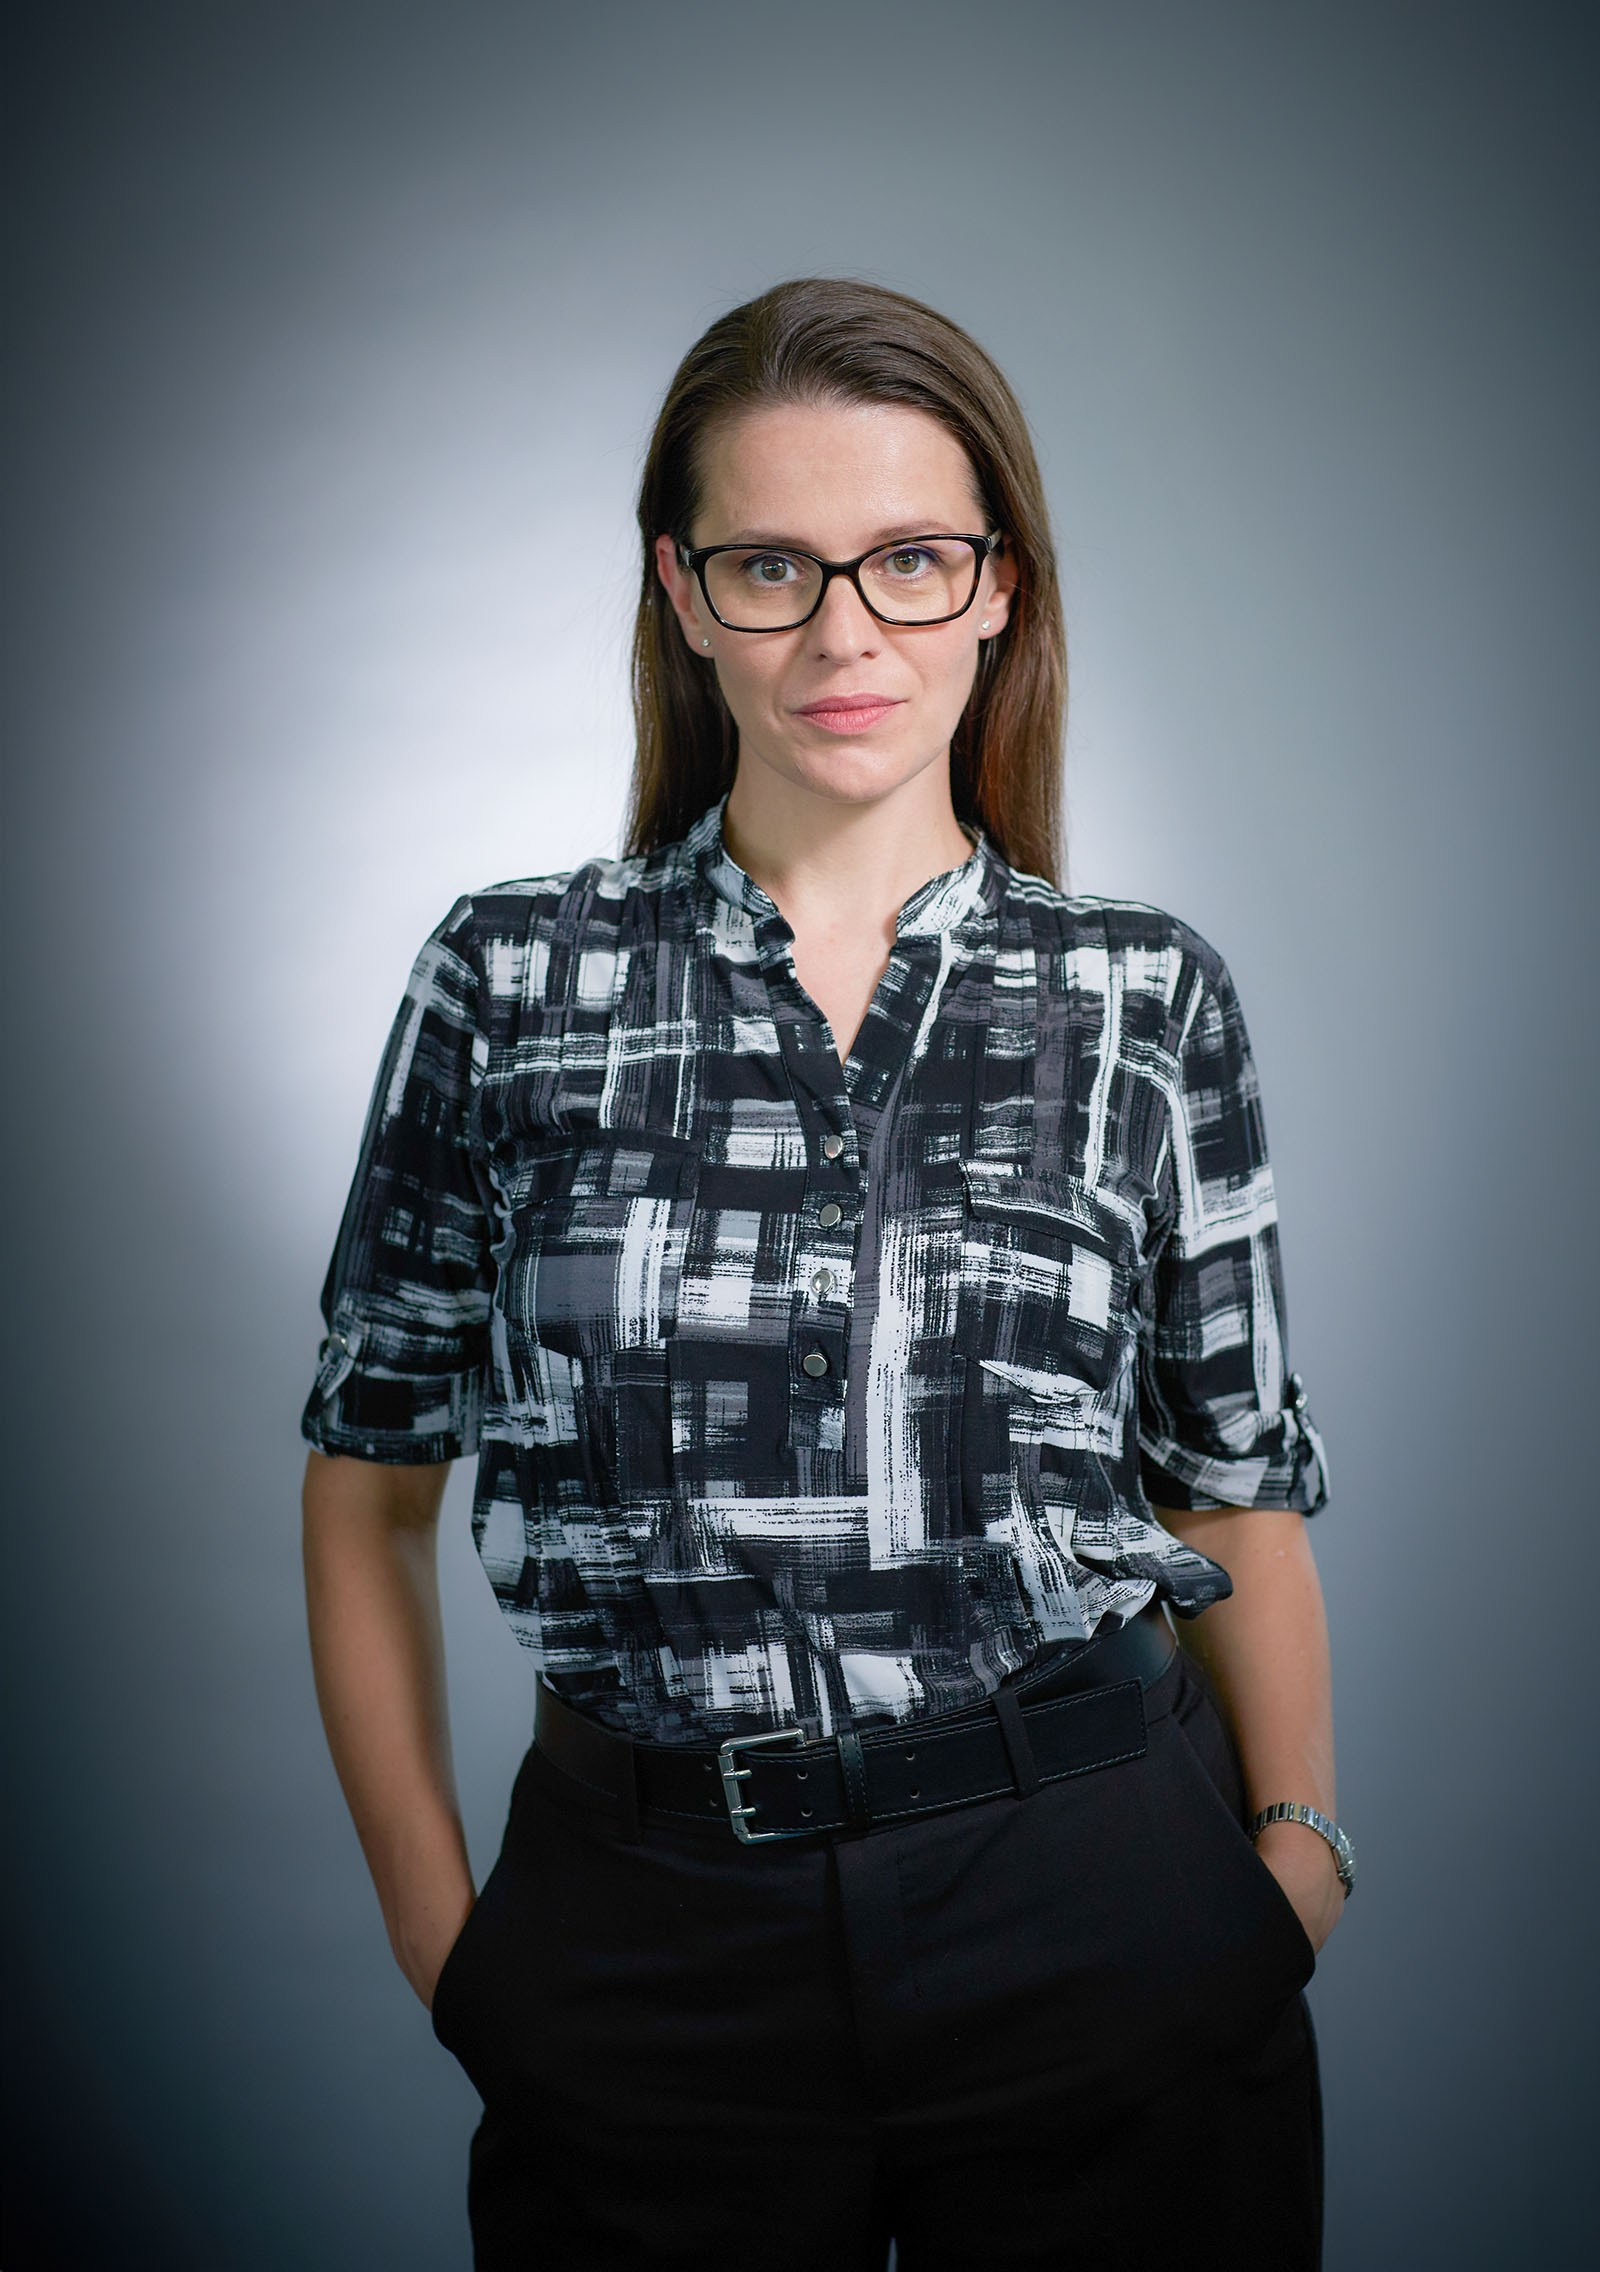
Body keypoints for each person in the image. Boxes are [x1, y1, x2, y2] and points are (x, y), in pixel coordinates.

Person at [300, 275, 1350, 2271]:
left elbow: (1233, 1489)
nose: (843, 630)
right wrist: (454, 1955)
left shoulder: (1139, 994)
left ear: (997, 591)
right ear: (684, 596)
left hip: (1095, 1908)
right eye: (772, 567)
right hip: (648, 1950)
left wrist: (1288, 1870)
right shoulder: (513, 978)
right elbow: (361, 1495)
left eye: (907, 560)